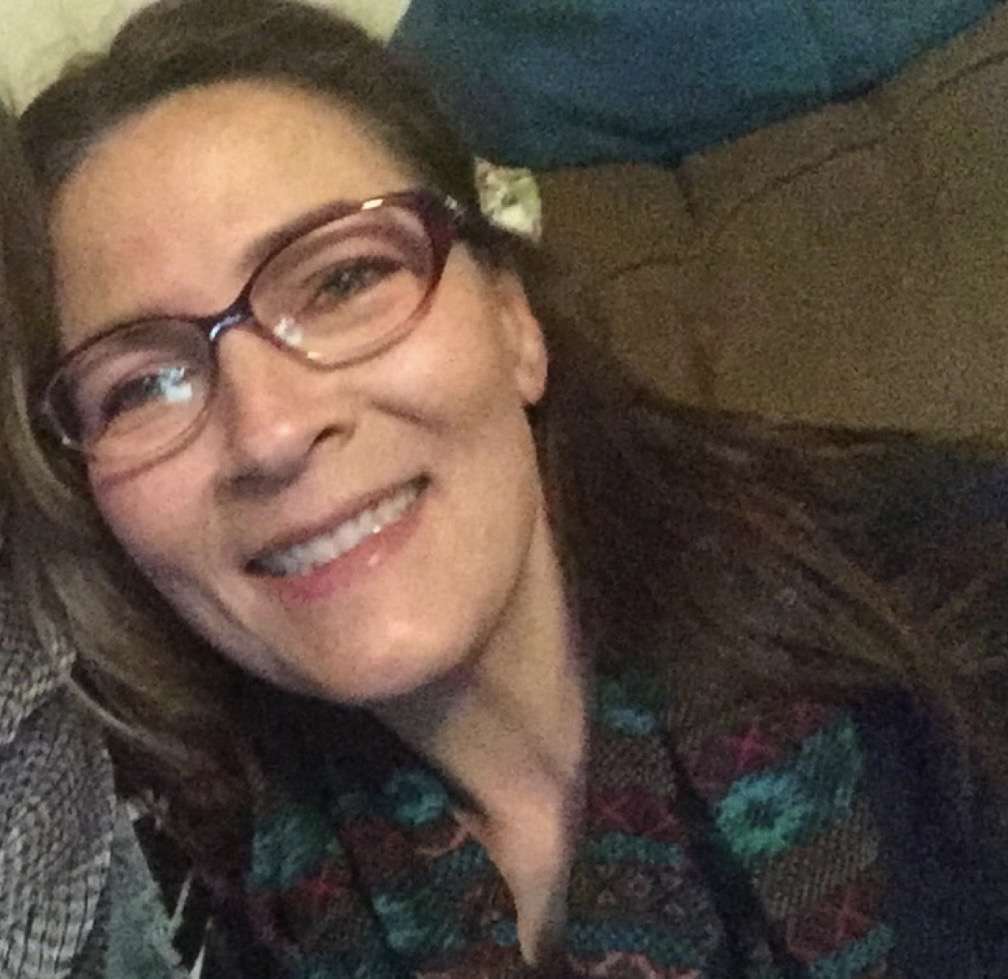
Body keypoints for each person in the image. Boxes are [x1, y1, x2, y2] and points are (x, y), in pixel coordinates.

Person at [11, 1, 1008, 975]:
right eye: (141, 384)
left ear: (514, 319)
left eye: (342, 281)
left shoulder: (954, 598)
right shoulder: (190, 904)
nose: (269, 433)